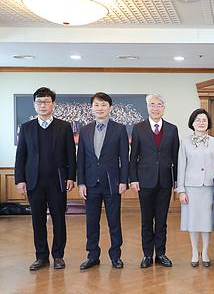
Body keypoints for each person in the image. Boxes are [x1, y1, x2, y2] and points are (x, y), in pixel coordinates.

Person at [15, 87, 76, 271]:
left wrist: (71, 177)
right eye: (39, 102)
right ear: (34, 105)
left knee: (59, 220)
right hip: (34, 182)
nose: (43, 105)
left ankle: (58, 256)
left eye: (47, 101)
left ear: (53, 104)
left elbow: (71, 155)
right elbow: (21, 156)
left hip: (57, 182)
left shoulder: (64, 127)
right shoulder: (26, 128)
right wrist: (20, 179)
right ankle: (41, 257)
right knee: (38, 221)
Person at [77, 92, 129, 270]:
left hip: (112, 183)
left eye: (103, 105)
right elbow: (81, 158)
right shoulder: (84, 130)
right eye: (96, 105)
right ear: (92, 108)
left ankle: (116, 256)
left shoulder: (120, 129)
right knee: (92, 222)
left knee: (114, 221)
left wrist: (124, 181)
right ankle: (92, 256)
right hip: (90, 184)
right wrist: (81, 183)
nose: (100, 108)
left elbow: (125, 157)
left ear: (110, 108)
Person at [129, 93, 180, 268]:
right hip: (145, 182)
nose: (156, 108)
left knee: (161, 220)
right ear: (147, 107)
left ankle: (161, 254)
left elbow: (176, 158)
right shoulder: (138, 128)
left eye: (159, 105)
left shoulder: (172, 129)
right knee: (146, 220)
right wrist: (133, 179)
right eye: (152, 104)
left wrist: (177, 182)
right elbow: (133, 156)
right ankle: (147, 255)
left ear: (164, 108)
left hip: (165, 182)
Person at [177, 108, 214, 267]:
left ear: (208, 123)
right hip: (191, 187)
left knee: (206, 221)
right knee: (193, 220)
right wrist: (181, 190)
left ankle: (205, 251)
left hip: (209, 187)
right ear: (192, 123)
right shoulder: (185, 142)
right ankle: (193, 251)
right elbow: (181, 167)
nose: (201, 123)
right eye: (198, 120)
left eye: (204, 120)